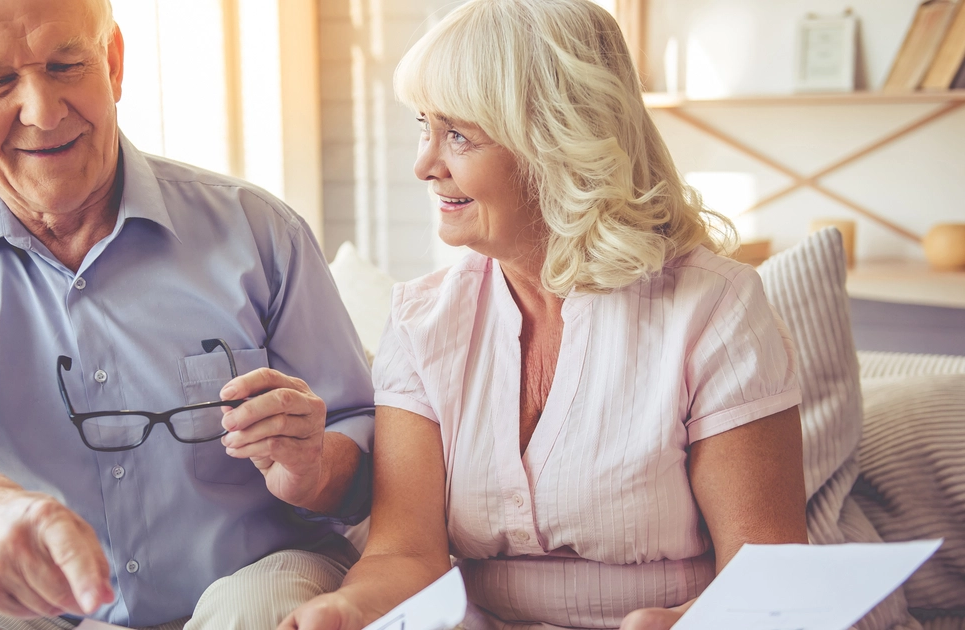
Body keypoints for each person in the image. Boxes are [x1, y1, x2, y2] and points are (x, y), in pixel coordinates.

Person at [0, 0, 375, 628]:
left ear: (113, 62)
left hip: (259, 579)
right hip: (43, 612)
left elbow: (367, 443)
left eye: (66, 63)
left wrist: (317, 464)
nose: (44, 112)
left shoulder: (258, 231)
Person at [281, 1, 808, 629]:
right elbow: (405, 553)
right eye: (425, 127)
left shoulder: (713, 308)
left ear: (559, 142)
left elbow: (766, 576)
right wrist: (343, 610)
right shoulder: (422, 319)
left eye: (458, 136)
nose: (425, 166)